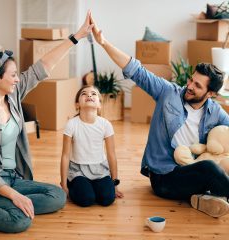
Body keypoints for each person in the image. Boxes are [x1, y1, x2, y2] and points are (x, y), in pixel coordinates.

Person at [90, 15, 229, 218]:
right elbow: (135, 69)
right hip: (165, 177)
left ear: (210, 94)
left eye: (197, 85)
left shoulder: (214, 110)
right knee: (209, 168)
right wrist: (103, 43)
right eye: (191, 79)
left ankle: (208, 199)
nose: (189, 86)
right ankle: (215, 194)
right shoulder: (168, 93)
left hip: (190, 169)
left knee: (217, 165)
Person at [0, 11, 94, 233]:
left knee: (57, 196)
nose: (18, 79)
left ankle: (10, 206)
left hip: (13, 177)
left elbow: (42, 67)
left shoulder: (13, 96)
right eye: (13, 75)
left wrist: (77, 36)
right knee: (20, 221)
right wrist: (14, 196)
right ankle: (12, 206)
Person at [60, 85, 123, 207]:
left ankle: (93, 186)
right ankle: (76, 184)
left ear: (99, 104)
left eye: (94, 94)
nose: (89, 95)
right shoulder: (71, 124)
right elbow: (65, 156)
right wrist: (64, 185)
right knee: (86, 199)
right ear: (77, 104)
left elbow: (111, 154)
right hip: (78, 171)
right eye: (84, 93)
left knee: (107, 199)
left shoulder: (105, 125)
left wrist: (114, 184)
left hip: (100, 170)